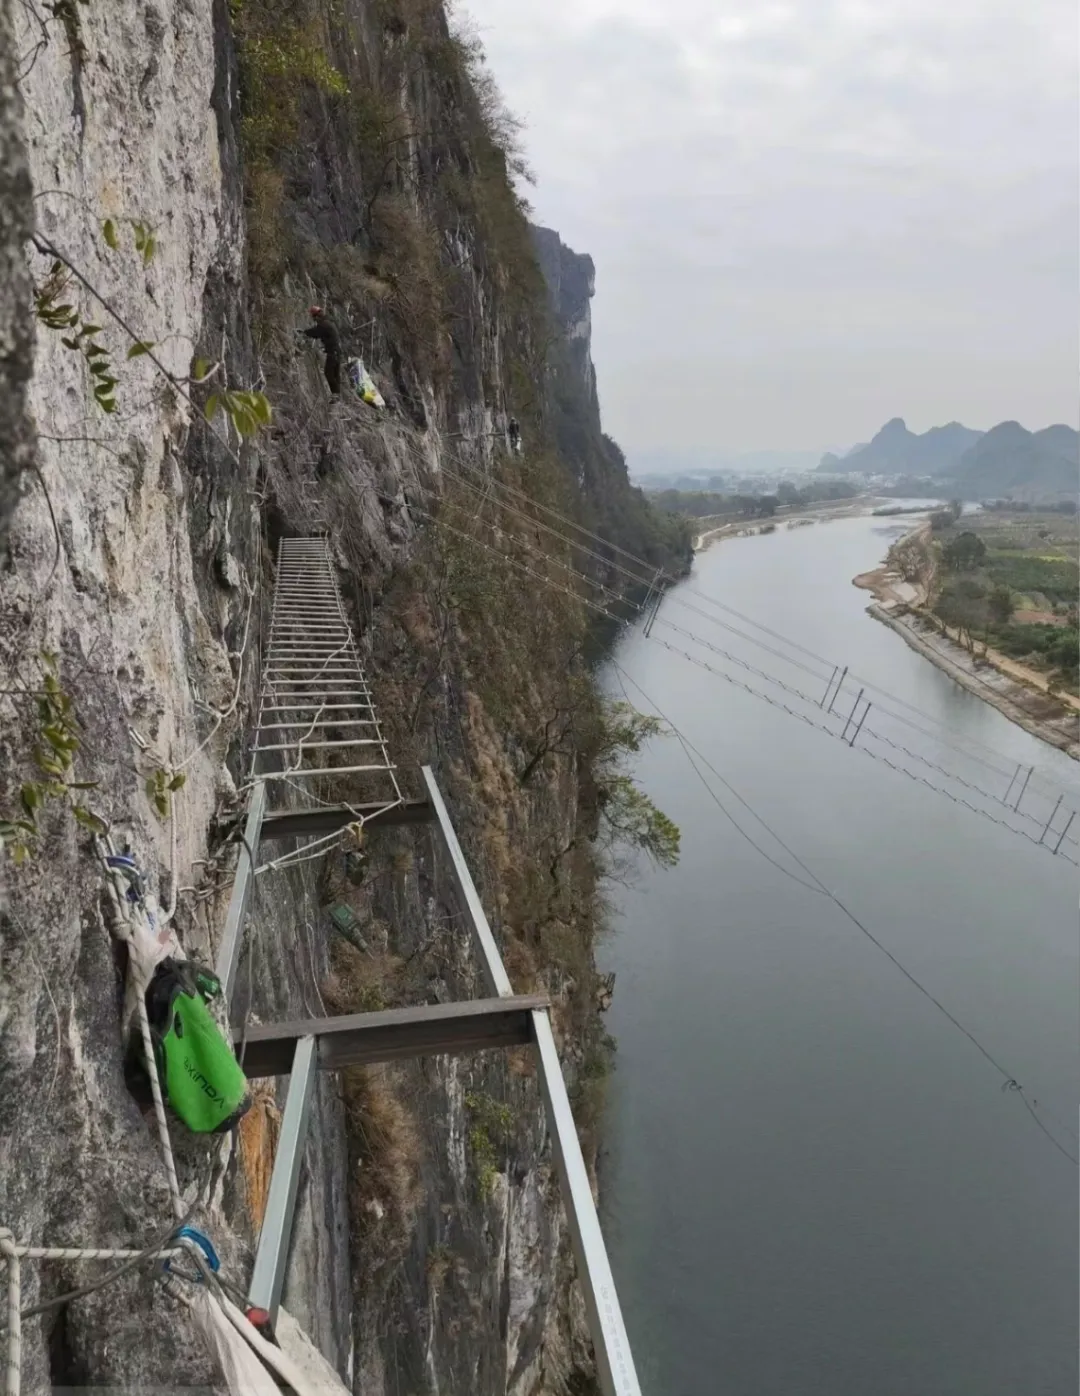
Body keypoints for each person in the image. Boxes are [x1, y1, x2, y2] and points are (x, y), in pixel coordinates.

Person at [299, 305, 342, 395]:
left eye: (314, 318)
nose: (314, 320)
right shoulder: (328, 323)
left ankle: (336, 394)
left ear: (317, 316)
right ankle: (337, 394)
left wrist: (304, 332)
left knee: (328, 373)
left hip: (333, 352)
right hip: (337, 351)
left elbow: (315, 332)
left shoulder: (324, 325)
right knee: (335, 374)